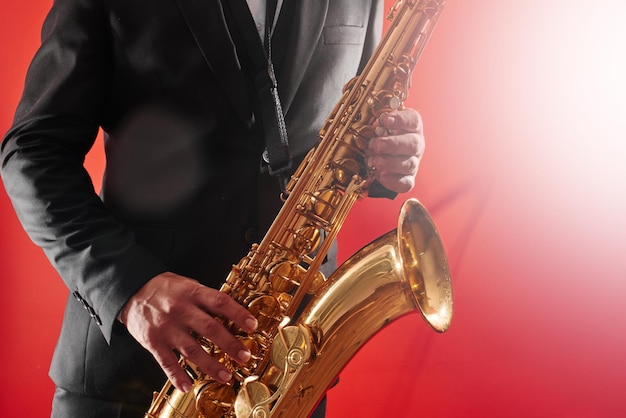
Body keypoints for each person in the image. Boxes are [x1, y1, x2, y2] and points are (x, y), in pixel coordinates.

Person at [1, 0, 425, 417]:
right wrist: (130, 289)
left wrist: (386, 158)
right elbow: (31, 153)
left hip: (285, 369)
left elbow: (352, 128)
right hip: (134, 372)